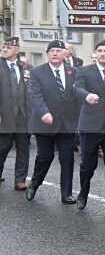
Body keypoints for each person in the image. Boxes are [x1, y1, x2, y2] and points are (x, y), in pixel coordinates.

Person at [25, 39, 79, 204]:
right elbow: (35, 95)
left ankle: (66, 193)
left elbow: (78, 96)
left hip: (67, 123)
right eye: (51, 51)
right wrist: (44, 112)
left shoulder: (74, 72)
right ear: (47, 54)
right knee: (44, 157)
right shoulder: (37, 72)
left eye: (58, 51)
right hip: (45, 121)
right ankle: (34, 184)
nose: (55, 53)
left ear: (65, 54)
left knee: (67, 158)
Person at [73, 39, 105, 214]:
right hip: (90, 125)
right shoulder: (85, 71)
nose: (103, 54)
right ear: (96, 53)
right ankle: (83, 193)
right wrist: (87, 95)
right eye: (100, 51)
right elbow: (77, 89)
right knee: (88, 165)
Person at [0, 36, 32, 190]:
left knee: (23, 148)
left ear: (17, 50)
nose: (5, 50)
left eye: (8, 48)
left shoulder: (26, 67)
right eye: (4, 47)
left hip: (23, 116)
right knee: (2, 147)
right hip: (4, 115)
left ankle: (20, 180)